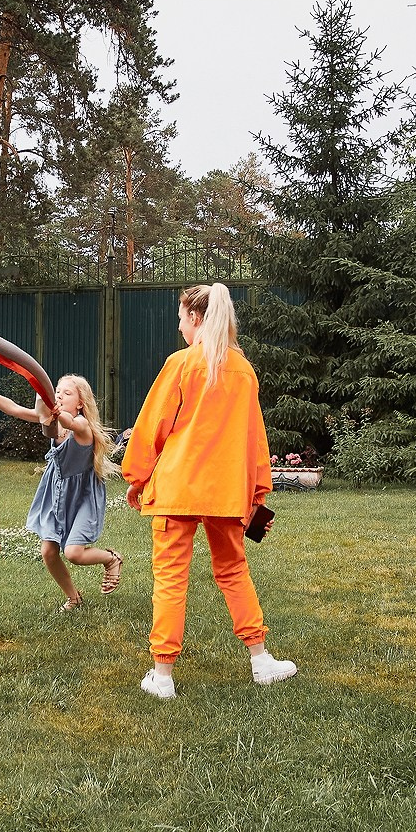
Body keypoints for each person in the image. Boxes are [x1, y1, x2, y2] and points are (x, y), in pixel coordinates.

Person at [122, 283, 297, 700]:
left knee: (170, 579)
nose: (179, 326)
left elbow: (153, 426)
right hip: (224, 493)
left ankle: (162, 676)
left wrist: (137, 477)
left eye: (181, 318)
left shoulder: (181, 364)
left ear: (196, 318)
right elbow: (255, 438)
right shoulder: (244, 371)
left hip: (177, 489)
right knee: (233, 571)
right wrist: (258, 491)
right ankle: (260, 660)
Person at [0, 374, 122, 609]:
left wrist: (53, 411)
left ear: (80, 403)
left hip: (82, 495)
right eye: (56, 392)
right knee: (49, 552)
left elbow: (70, 423)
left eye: (66, 393)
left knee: (74, 553)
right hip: (56, 490)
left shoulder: (81, 425)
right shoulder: (52, 420)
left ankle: (111, 559)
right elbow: (14, 409)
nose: (59, 396)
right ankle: (73, 597)